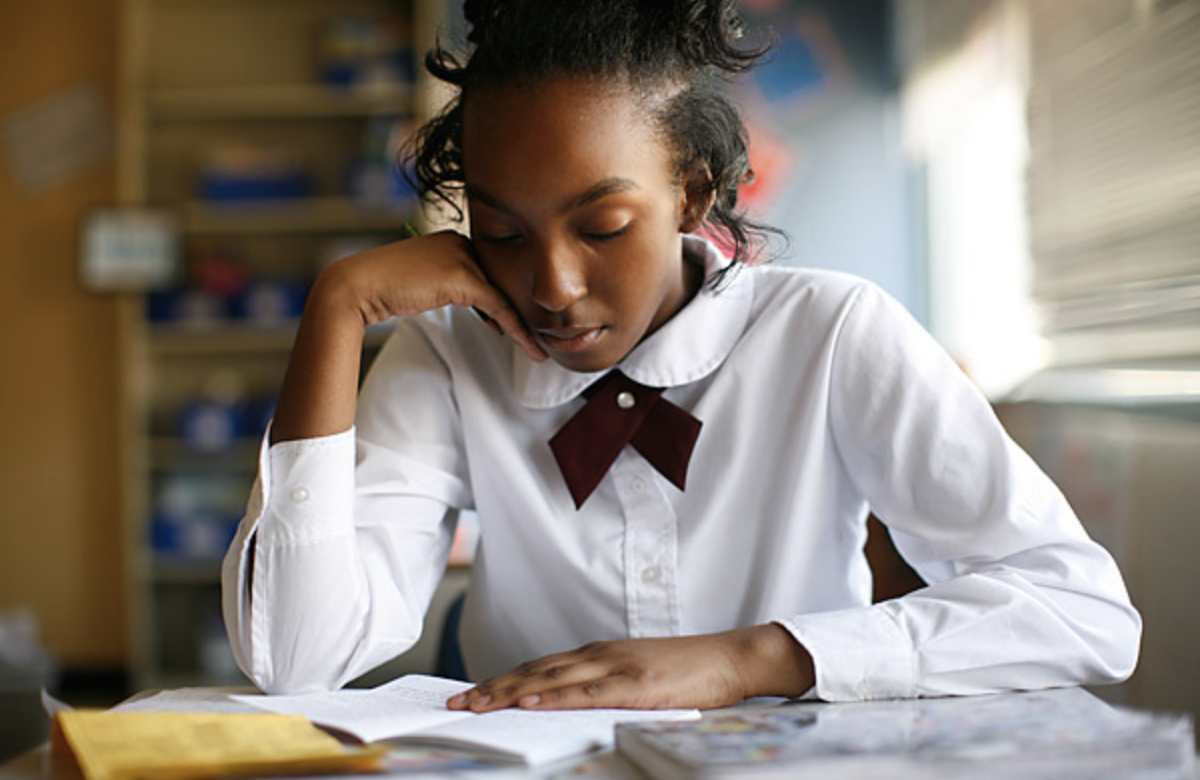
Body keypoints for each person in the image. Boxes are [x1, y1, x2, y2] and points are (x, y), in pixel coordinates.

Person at [221, 0, 1141, 710]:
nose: (553, 286)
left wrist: (752, 658)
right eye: (500, 231)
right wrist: (337, 310)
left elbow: (1084, 611)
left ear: (692, 194)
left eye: (604, 226)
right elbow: (297, 660)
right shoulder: (446, 356)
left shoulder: (832, 332)